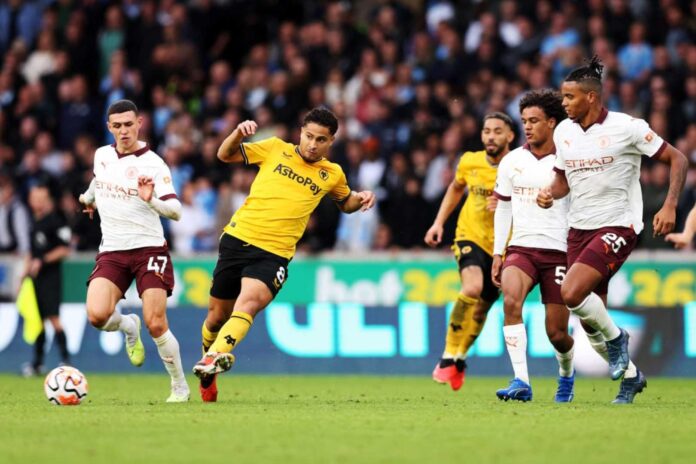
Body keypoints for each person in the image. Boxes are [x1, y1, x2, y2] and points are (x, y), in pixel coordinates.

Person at [192, 107, 376, 402]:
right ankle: (209, 368)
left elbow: (346, 203)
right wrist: (238, 133)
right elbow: (224, 155)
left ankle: (215, 356)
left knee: (249, 303)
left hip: (274, 253)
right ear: (300, 133)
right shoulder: (274, 148)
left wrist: (361, 198)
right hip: (238, 238)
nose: (313, 145)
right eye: (309, 136)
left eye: (321, 140)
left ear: (331, 142)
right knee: (216, 318)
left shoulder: (332, 174)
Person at [537, 57, 688, 404]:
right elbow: (562, 182)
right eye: (562, 98)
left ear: (591, 97)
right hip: (578, 229)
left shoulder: (627, 127)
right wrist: (549, 193)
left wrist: (669, 205)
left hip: (618, 224)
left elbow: (677, 158)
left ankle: (619, 339)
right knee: (592, 331)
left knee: (571, 292)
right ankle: (632, 377)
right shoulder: (564, 132)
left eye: (569, 98)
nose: (564, 104)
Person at [78, 99, 190, 402]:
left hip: (149, 249)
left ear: (139, 123)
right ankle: (128, 325)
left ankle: (179, 385)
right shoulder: (102, 155)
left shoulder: (153, 163)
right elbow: (99, 181)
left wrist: (151, 199)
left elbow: (176, 211)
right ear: (109, 127)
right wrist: (88, 199)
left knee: (156, 322)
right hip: (113, 250)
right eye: (118, 125)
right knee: (97, 315)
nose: (124, 130)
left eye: (129, 124)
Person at [491, 90, 575, 402]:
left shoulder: (569, 161)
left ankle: (566, 374)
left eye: (534, 121)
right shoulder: (512, 161)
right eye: (524, 121)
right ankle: (521, 381)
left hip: (560, 252)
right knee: (511, 302)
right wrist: (499, 252)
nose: (527, 127)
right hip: (522, 248)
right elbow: (503, 208)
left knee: (556, 333)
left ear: (552, 122)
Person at [424, 112, 515, 391]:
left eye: (497, 131)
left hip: (503, 246)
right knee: (472, 288)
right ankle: (448, 355)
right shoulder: (469, 161)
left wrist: (508, 206)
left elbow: (538, 203)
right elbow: (455, 188)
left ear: (510, 136)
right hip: (469, 235)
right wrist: (438, 223)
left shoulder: (520, 165)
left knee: (481, 309)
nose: (490, 136)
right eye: (486, 130)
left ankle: (460, 358)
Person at [21, 184, 71, 376]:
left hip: (51, 277)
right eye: (33, 197)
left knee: (54, 319)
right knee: (38, 320)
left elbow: (64, 249)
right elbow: (31, 252)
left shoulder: (55, 221)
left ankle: (66, 360)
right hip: (35, 279)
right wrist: (24, 273)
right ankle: (38, 363)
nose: (36, 201)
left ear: (46, 199)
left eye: (40, 197)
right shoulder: (34, 222)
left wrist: (42, 261)